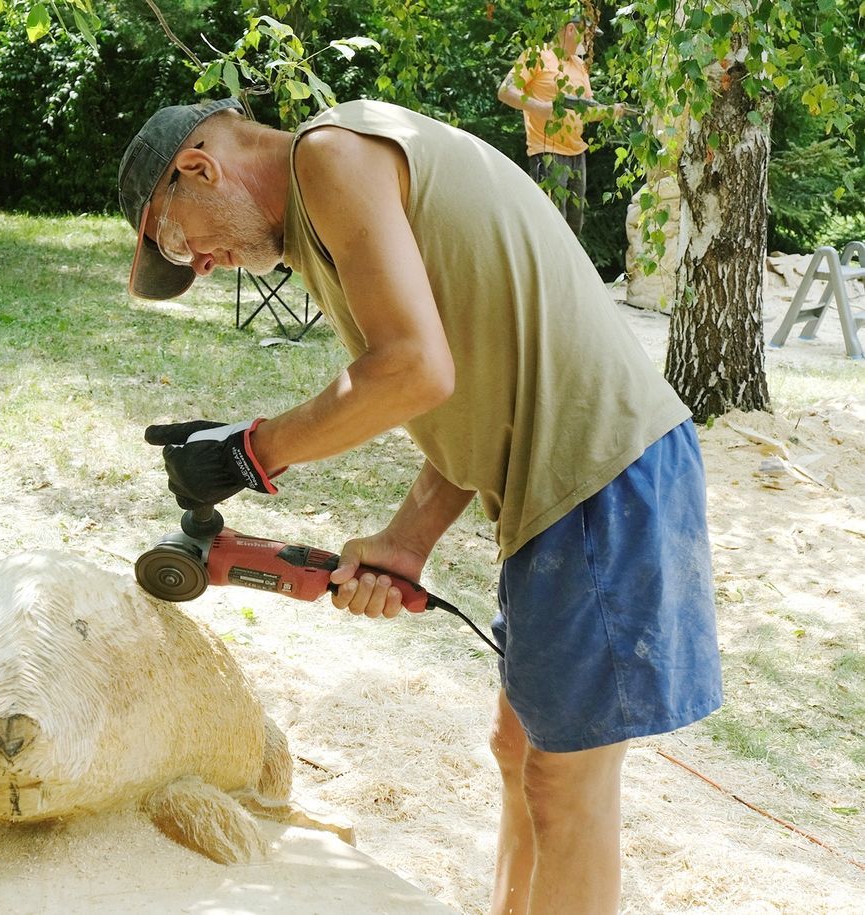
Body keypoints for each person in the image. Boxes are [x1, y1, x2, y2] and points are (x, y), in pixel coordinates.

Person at [118, 96, 722, 914]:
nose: (201, 265)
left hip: (602, 474)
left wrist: (252, 451)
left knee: (563, 784)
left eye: (178, 239)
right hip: (559, 490)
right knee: (520, 753)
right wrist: (408, 539)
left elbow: (413, 371)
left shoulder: (330, 158)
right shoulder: (326, 217)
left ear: (199, 166)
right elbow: (472, 377)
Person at [497, 12, 624, 236]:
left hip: (578, 155)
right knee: (551, 228)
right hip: (547, 153)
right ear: (571, 29)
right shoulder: (536, 55)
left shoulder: (579, 66)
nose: (590, 42)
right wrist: (538, 107)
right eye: (588, 35)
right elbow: (506, 91)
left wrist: (609, 112)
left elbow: (585, 111)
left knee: (573, 230)